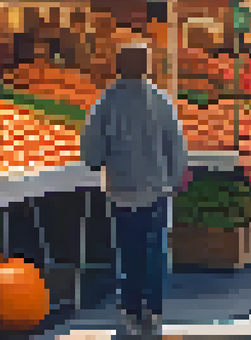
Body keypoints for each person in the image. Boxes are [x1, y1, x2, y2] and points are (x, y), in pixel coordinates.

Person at [81, 43, 187, 340]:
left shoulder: (106, 102)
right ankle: (152, 312)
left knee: (127, 254)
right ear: (147, 66)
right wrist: (176, 178)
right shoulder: (161, 101)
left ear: (117, 66)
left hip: (121, 191)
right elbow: (176, 145)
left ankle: (129, 311)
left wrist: (102, 161)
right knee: (154, 252)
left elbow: (91, 153)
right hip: (156, 190)